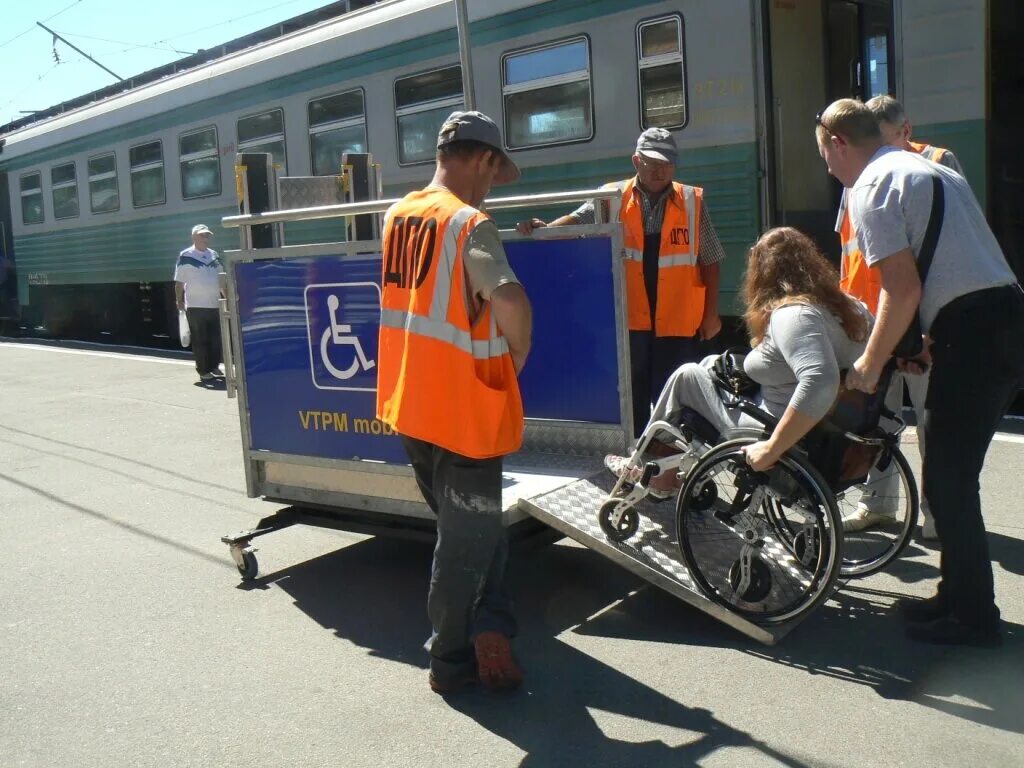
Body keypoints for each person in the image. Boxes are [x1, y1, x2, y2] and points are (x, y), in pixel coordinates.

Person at [816, 98, 1024, 646]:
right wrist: (928, 341)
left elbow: (900, 288)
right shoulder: (929, 169)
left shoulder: (871, 185)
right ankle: (955, 597)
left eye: (826, 158)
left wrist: (869, 361)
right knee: (948, 474)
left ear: (839, 142)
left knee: (951, 480)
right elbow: (955, 267)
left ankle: (975, 619)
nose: (830, 171)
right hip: (996, 320)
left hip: (974, 334)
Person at [375, 111, 532, 694]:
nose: (492, 186)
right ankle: (449, 659)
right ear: (482, 158)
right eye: (495, 173)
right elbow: (510, 299)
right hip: (464, 410)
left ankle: (491, 622)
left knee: (471, 528)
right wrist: (519, 353)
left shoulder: (398, 216)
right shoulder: (470, 224)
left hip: (410, 402)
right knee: (465, 543)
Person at [605, 226, 872, 490]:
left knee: (686, 375)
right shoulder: (851, 308)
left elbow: (820, 380)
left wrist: (772, 447)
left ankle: (648, 469)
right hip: (834, 431)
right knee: (710, 365)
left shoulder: (794, 316)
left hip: (774, 431)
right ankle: (665, 471)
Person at [516, 128, 726, 437]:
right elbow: (577, 219)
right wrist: (544, 229)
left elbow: (710, 259)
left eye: (667, 163)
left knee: (677, 397)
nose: (660, 170)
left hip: (678, 319)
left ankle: (675, 458)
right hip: (631, 318)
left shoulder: (691, 200)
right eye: (652, 162)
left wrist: (711, 313)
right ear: (636, 161)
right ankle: (637, 457)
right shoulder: (612, 197)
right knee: (633, 395)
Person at [836, 95, 964, 538]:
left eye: (883, 142)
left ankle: (935, 512)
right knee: (875, 419)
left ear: (904, 131)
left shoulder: (937, 163)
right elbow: (847, 247)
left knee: (931, 420)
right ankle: (879, 505)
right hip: (871, 321)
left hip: (918, 323)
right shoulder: (856, 172)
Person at [174, 224, 224, 381]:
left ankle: (214, 366)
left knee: (216, 339)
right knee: (200, 339)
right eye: (202, 235)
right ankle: (203, 370)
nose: (205, 238)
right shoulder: (186, 256)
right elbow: (179, 282)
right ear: (194, 237)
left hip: (215, 304)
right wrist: (179, 300)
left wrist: (227, 297)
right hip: (195, 305)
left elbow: (221, 280)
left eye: (207, 235)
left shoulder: (214, 255)